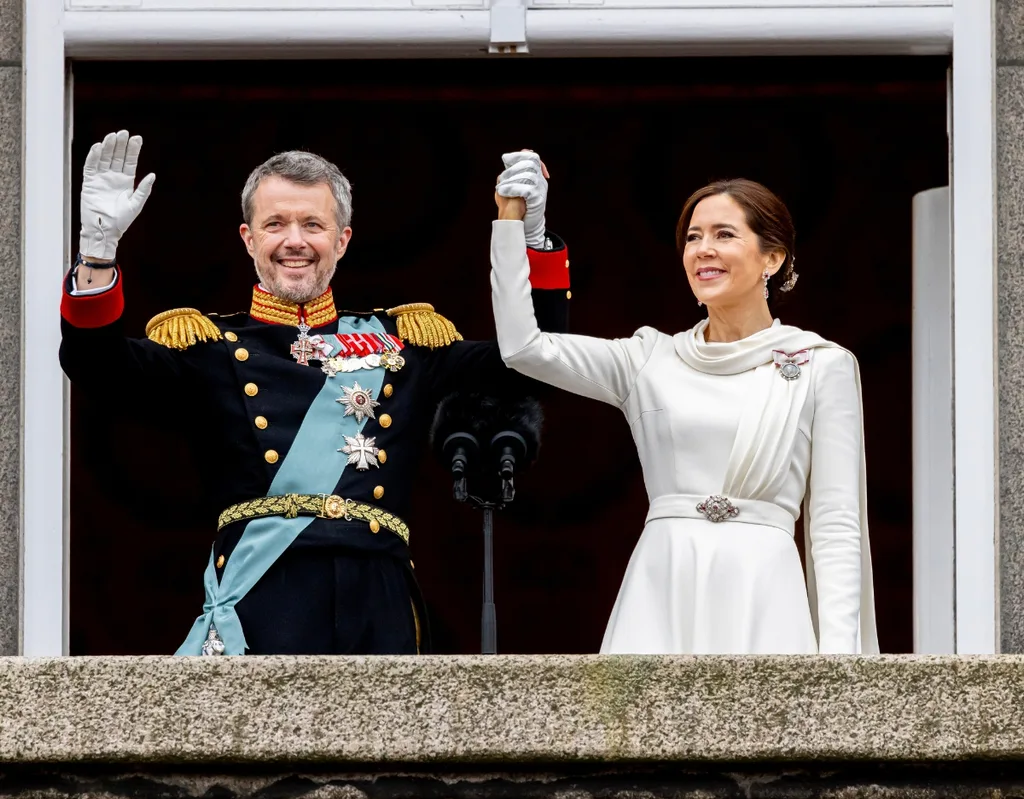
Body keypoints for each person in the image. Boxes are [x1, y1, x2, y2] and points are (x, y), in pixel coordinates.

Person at [59, 131, 570, 656]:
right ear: (248, 238)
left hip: (380, 600)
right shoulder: (208, 348)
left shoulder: (406, 341)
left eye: (312, 224)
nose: (294, 241)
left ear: (342, 239)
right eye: (274, 224)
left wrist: (531, 242)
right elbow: (96, 365)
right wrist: (97, 255)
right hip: (262, 601)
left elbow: (534, 363)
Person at [490, 155, 877, 654]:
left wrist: (842, 662)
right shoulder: (650, 358)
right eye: (693, 237)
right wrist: (518, 230)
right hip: (662, 584)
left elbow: (836, 524)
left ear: (772, 259)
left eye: (723, 235)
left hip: (765, 590)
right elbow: (524, 347)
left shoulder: (822, 365)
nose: (703, 250)